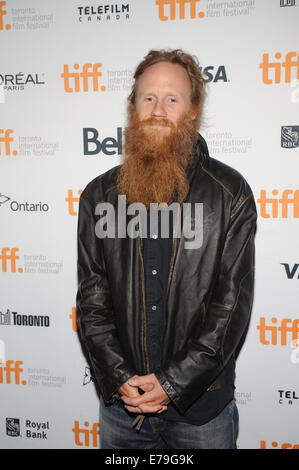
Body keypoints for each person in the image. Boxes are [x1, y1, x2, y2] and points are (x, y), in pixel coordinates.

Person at [76, 49, 257, 449]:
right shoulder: (98, 196)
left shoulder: (230, 193)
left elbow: (231, 308)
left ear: (193, 110)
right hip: (123, 413)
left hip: (201, 415)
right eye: (148, 98)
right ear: (133, 107)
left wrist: (173, 384)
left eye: (172, 99)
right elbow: (92, 300)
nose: (158, 109)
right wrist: (120, 378)